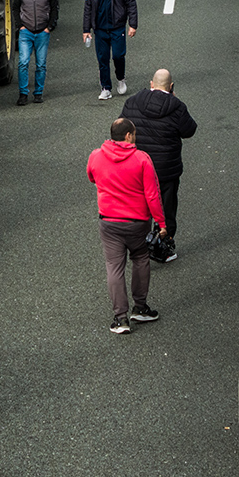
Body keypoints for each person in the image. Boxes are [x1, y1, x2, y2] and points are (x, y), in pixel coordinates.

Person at [86, 117, 166, 334]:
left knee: (114, 267)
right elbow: (152, 194)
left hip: (109, 222)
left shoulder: (96, 156)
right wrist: (161, 222)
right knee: (140, 259)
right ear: (129, 136)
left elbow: (92, 177)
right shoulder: (141, 159)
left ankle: (120, 318)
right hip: (137, 222)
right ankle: (140, 307)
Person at [120, 69, 198, 260]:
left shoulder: (132, 102)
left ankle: (137, 244)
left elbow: (122, 128)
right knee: (166, 209)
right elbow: (189, 130)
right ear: (171, 87)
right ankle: (163, 245)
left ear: (151, 84)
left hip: (136, 167)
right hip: (165, 169)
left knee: (138, 206)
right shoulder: (177, 107)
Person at [82, 0, 137, 100]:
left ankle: (120, 78)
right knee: (102, 59)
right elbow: (87, 8)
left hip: (117, 28)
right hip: (100, 30)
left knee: (118, 56)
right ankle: (106, 88)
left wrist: (133, 25)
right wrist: (86, 30)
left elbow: (131, 3)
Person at [15, 0, 58, 105]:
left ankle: (38, 93)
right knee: (23, 63)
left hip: (42, 32)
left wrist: (49, 27)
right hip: (25, 31)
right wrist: (19, 26)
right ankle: (23, 94)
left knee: (40, 65)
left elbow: (54, 9)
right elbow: (15, 8)